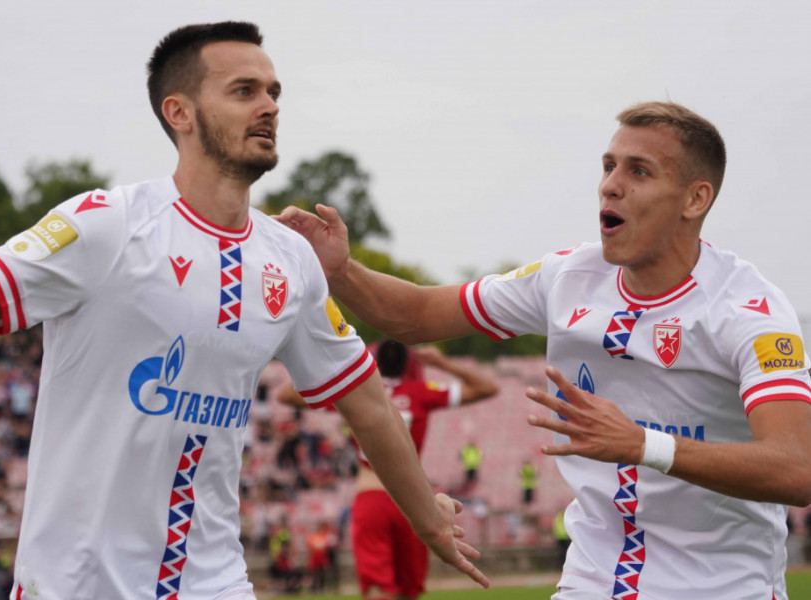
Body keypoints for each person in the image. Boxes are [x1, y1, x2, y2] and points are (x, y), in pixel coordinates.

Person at [0, 22, 487, 600]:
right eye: (244, 91)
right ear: (179, 112)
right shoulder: (107, 225)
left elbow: (369, 406)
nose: (268, 107)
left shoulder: (291, 260)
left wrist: (427, 517)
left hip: (215, 582)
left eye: (273, 92)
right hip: (78, 586)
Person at [276, 101, 811, 599]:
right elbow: (417, 315)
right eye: (609, 166)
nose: (610, 186)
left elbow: (797, 469)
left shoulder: (750, 310)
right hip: (592, 579)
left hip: (721, 588)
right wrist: (341, 270)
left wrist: (643, 444)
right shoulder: (568, 277)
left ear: (696, 198)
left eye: (638, 171)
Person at [278, 340, 498, 600]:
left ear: (376, 362)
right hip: (414, 499)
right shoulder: (420, 391)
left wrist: (337, 360)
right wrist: (441, 362)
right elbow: (487, 388)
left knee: (377, 591)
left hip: (371, 495)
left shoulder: (355, 391)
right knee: (409, 591)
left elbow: (286, 395)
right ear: (408, 365)